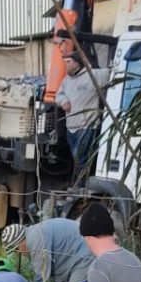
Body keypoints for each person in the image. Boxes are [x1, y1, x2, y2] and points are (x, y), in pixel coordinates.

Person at [55, 51, 112, 184]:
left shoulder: (93, 75)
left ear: (77, 63)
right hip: (71, 128)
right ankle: (82, 186)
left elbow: (112, 72)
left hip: (87, 126)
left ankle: (83, 187)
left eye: (68, 62)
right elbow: (59, 95)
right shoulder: (67, 80)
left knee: (81, 159)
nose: (66, 66)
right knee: (78, 160)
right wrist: (63, 101)